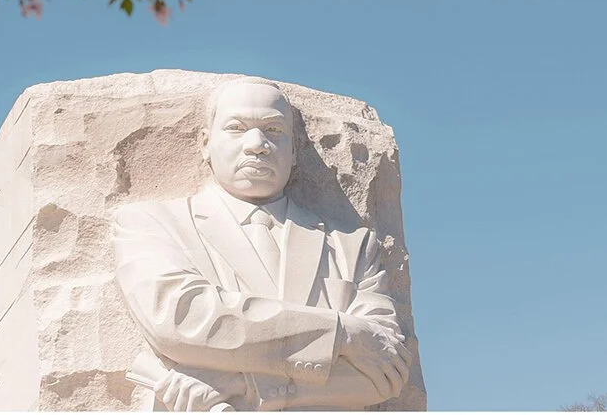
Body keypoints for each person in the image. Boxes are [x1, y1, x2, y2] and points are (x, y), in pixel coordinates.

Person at [112, 80, 410, 411]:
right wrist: (343, 335)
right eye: (236, 128)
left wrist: (245, 386)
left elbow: (386, 371)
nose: (257, 144)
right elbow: (181, 318)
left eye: (273, 129)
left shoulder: (351, 247)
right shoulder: (154, 224)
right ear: (205, 144)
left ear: (295, 150)